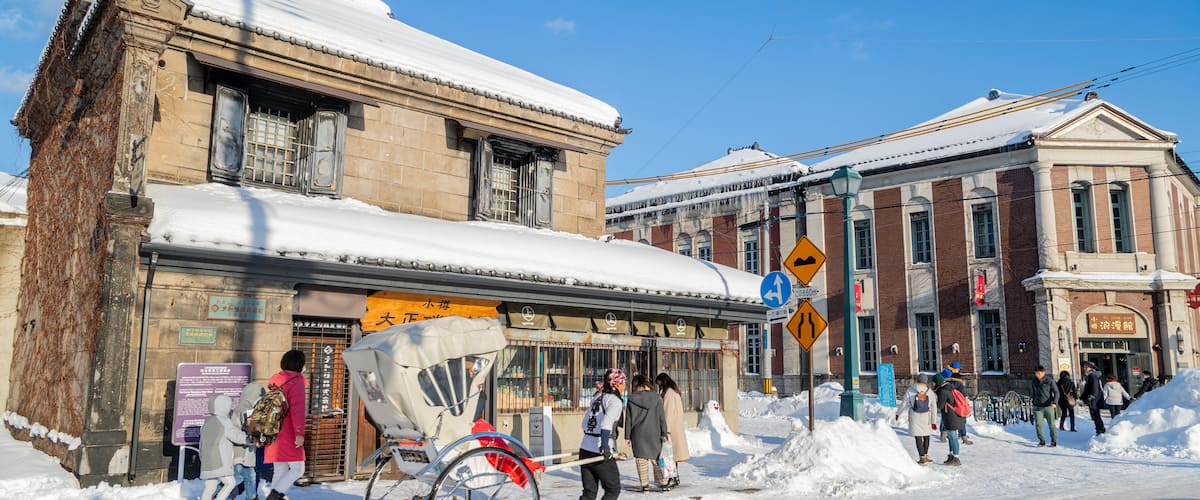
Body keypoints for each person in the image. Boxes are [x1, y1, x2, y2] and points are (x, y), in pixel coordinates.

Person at [264, 350, 307, 500]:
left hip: (273, 429)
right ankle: (275, 495)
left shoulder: (275, 382)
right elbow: (298, 410)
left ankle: (274, 496)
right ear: (299, 364)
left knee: (280, 470)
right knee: (298, 469)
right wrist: (299, 433)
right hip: (289, 432)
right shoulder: (296, 382)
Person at [580, 368, 625, 500]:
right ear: (616, 384)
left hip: (585, 448)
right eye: (623, 382)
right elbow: (606, 425)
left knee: (589, 492)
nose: (624, 386)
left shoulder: (597, 397)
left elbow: (584, 424)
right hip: (600, 450)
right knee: (613, 489)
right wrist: (605, 446)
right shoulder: (614, 401)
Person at [625, 374, 669, 492]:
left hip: (638, 434)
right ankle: (663, 483)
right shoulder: (656, 398)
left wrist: (627, 436)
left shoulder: (631, 399)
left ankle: (644, 485)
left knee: (641, 460)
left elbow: (628, 419)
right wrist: (664, 433)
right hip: (654, 433)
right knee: (657, 459)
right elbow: (661, 417)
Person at [200, 394, 244, 500]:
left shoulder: (207, 422)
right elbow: (236, 436)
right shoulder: (225, 421)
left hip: (206, 460)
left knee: (210, 487)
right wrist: (248, 438)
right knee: (230, 482)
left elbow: (201, 442)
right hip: (219, 460)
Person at [895, 374, 939, 464]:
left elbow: (904, 403)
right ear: (926, 381)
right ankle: (925, 455)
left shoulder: (910, 390)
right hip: (926, 416)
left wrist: (898, 413)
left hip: (914, 416)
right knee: (927, 436)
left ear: (917, 380)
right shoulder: (930, 392)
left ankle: (921, 457)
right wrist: (933, 422)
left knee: (918, 437)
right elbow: (934, 407)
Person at [656, 372, 689, 489]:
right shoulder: (674, 391)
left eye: (659, 384)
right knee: (672, 455)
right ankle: (675, 477)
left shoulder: (669, 394)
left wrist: (665, 430)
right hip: (676, 427)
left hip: (670, 429)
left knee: (669, 455)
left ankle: (672, 478)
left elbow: (667, 413)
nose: (658, 387)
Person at [233, 383, 265, 500]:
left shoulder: (244, 407)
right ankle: (218, 495)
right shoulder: (246, 408)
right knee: (241, 475)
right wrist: (259, 437)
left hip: (245, 450)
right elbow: (253, 427)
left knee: (248, 475)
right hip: (241, 450)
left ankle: (249, 497)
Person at [933, 373, 963, 466]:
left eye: (933, 382)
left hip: (951, 417)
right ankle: (951, 455)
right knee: (950, 437)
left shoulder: (943, 391)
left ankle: (956, 458)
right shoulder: (948, 388)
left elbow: (940, 405)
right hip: (951, 416)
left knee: (953, 437)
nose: (932, 384)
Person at [1030, 365, 1059, 447]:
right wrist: (1033, 400)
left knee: (1051, 425)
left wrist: (1054, 402)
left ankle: (1054, 440)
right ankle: (1042, 440)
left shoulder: (1049, 381)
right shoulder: (1034, 381)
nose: (1037, 375)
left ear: (1043, 373)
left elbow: (1056, 392)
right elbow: (1033, 392)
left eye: (1038, 373)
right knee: (1038, 424)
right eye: (1036, 373)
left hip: (1048, 406)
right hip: (1037, 407)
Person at [944, 364, 973, 445]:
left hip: (949, 402)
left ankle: (943, 433)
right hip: (959, 403)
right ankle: (963, 436)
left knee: (946, 418)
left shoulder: (945, 382)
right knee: (961, 419)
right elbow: (963, 394)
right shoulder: (958, 383)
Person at [1080, 361, 1105, 435]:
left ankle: (1100, 429)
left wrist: (1091, 397)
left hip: (1094, 399)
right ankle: (1099, 429)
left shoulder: (1092, 376)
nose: (1084, 368)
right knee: (1095, 415)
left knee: (1095, 415)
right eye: (1084, 367)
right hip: (1093, 399)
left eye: (1086, 367)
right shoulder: (1090, 376)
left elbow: (1095, 388)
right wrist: (1083, 396)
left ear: (1091, 368)